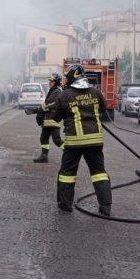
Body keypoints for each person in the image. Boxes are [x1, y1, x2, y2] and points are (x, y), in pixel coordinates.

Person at [51, 64, 113, 215]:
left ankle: (65, 204)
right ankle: (105, 207)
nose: (65, 80)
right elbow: (104, 110)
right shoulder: (95, 92)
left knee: (67, 172)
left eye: (67, 77)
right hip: (95, 141)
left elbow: (55, 117)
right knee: (99, 172)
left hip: (74, 142)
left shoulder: (65, 95)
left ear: (73, 77)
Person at [32, 73, 65, 163]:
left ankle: (68, 154)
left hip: (53, 120)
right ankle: (44, 156)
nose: (49, 83)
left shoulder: (57, 91)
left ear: (56, 82)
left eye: (51, 81)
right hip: (48, 120)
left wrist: (37, 110)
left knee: (57, 140)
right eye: (50, 81)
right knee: (43, 138)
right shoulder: (53, 90)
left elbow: (50, 105)